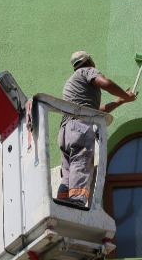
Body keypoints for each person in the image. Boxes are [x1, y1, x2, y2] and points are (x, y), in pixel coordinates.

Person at [57, 51, 137, 207]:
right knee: (81, 161)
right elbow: (106, 83)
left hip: (66, 130)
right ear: (88, 60)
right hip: (80, 127)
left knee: (68, 170)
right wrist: (126, 96)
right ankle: (77, 202)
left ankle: (62, 200)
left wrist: (120, 101)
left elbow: (96, 111)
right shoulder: (87, 71)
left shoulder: (72, 82)